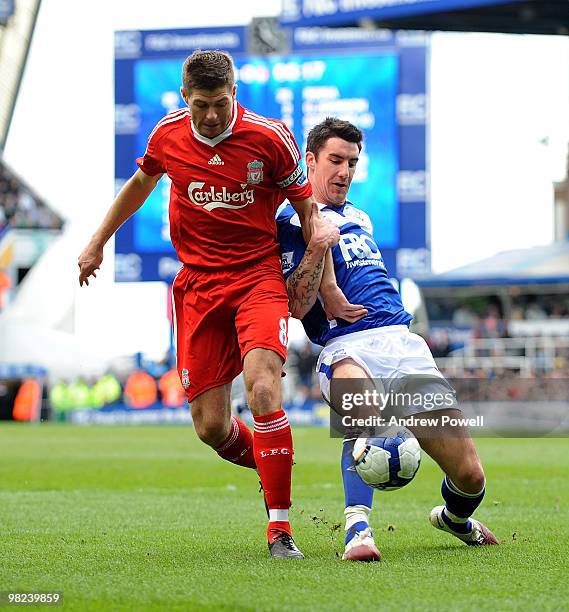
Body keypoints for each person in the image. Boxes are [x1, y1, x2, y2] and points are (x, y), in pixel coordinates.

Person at [77, 50, 363, 559]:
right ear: (185, 98)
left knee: (261, 390)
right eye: (201, 105)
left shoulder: (270, 138)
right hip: (198, 286)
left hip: (258, 279)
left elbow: (308, 214)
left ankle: (280, 531)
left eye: (221, 103)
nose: (211, 116)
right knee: (211, 426)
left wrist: (328, 284)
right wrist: (98, 241)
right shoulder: (167, 135)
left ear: (235, 95)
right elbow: (140, 184)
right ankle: (274, 460)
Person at [276, 117, 498, 562]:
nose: (344, 171)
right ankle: (357, 529)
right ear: (310, 159)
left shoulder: (360, 216)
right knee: (361, 405)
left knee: (470, 475)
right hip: (345, 345)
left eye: (352, 163)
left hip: (402, 343)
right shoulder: (287, 218)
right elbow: (296, 305)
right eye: (335, 160)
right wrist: (318, 246)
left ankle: (454, 519)